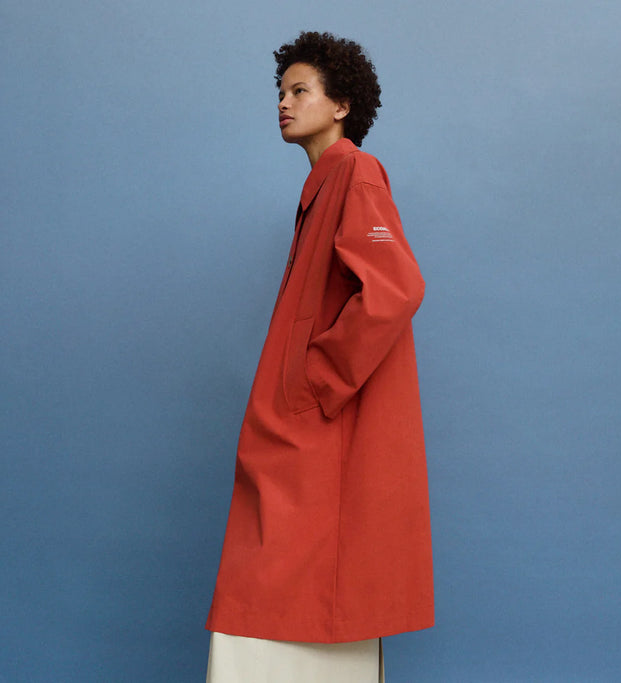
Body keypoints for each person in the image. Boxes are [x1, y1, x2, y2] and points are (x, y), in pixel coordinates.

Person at [206, 31, 433, 682]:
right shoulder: (323, 184)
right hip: (297, 430)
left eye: (299, 90)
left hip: (314, 431)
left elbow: (395, 287)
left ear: (340, 105)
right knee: (276, 589)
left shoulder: (356, 171)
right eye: (280, 92)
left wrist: (316, 380)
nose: (283, 102)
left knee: (289, 583)